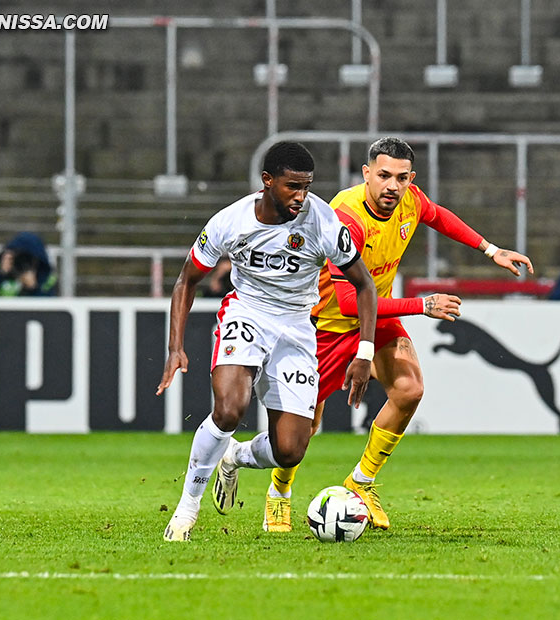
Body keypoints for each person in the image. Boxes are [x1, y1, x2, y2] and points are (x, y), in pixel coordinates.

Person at [212, 136, 533, 532]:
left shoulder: (409, 200)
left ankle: (361, 482)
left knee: (409, 389)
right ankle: (277, 490)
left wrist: (490, 249)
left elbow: (436, 215)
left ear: (410, 178)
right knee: (305, 426)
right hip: (323, 326)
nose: (392, 186)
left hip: (377, 317)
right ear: (366, 174)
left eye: (401, 177)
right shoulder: (346, 217)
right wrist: (422, 305)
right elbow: (347, 301)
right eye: (383, 175)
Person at [156, 141, 378, 542]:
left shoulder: (322, 222)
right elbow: (186, 280)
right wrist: (175, 347)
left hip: (296, 327)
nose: (301, 196)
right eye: (293, 186)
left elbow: (364, 285)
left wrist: (365, 351)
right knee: (228, 410)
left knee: (292, 448)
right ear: (267, 181)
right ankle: (187, 511)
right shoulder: (231, 221)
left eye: (307, 186)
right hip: (247, 313)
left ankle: (235, 455)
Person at [0, 232, 57, 296]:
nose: (21, 262)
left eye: (27, 260)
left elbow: (51, 310)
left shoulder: (46, 277)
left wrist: (33, 288)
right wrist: (0, 275)